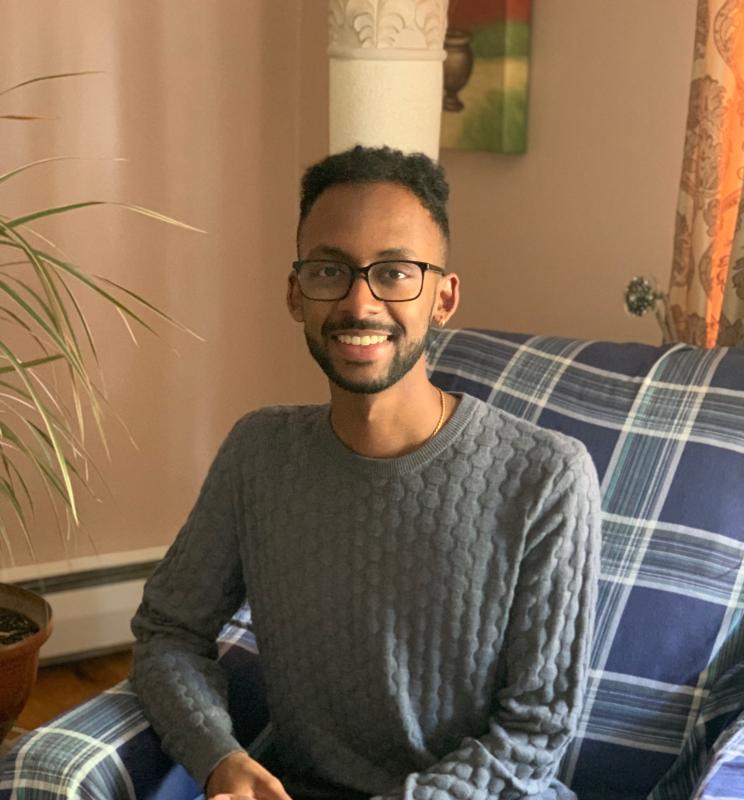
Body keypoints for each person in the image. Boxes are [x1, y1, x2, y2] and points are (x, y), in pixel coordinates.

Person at [130, 145, 601, 800]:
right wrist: (218, 758)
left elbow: (539, 727)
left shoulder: (547, 477)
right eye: (330, 270)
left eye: (396, 271)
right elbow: (167, 634)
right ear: (295, 293)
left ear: (444, 296)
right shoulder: (259, 454)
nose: (360, 302)